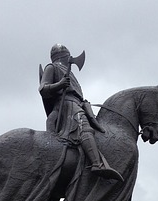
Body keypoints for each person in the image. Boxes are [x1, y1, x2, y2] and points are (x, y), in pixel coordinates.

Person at [39, 44, 123, 182]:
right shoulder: (52, 67)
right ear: (63, 56)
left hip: (77, 104)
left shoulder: (69, 72)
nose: (70, 59)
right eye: (68, 56)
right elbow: (43, 89)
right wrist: (60, 84)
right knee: (84, 127)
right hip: (66, 106)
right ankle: (97, 164)